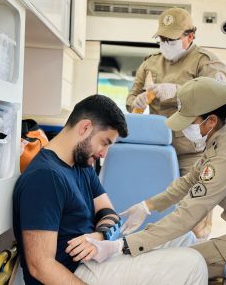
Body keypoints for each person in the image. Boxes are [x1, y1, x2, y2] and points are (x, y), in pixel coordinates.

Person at [88, 77, 226, 281]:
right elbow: (189, 181)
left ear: (211, 121)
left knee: (183, 265)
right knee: (183, 258)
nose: (184, 128)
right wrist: (147, 206)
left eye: (190, 121)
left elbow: (186, 216)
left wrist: (123, 245)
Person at [13, 95, 207, 285]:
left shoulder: (82, 166)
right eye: (105, 142)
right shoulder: (45, 177)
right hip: (75, 272)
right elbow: (40, 266)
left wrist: (100, 236)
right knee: (193, 264)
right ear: (85, 127)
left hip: (97, 256)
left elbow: (110, 214)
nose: (103, 153)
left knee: (184, 240)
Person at [126, 7, 226, 239]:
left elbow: (221, 98)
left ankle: (199, 263)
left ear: (190, 36)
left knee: (193, 217)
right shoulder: (150, 63)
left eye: (170, 39)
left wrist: (178, 91)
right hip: (157, 150)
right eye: (161, 39)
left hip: (192, 152)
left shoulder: (206, 63)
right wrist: (138, 100)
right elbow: (130, 100)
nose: (165, 44)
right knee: (152, 212)